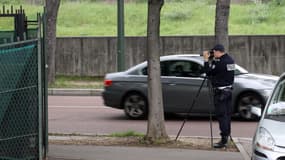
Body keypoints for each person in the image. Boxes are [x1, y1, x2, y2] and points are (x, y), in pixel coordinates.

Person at [203, 44, 235, 148]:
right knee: (227, 115)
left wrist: (206, 60)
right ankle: (227, 136)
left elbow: (208, 72)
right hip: (228, 91)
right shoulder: (230, 60)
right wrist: (212, 60)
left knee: (222, 116)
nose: (213, 54)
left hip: (221, 92)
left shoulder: (221, 63)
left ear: (218, 51)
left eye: (214, 52)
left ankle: (224, 140)